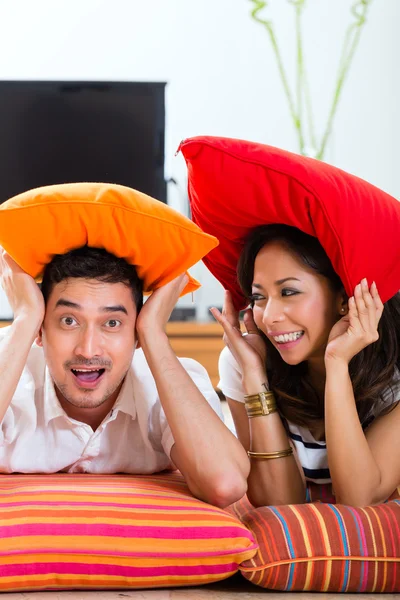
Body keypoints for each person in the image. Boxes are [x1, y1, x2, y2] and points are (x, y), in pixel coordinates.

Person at [0, 245, 250, 508]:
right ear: (41, 329)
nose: (88, 350)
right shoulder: (11, 361)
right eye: (69, 321)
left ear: (136, 334)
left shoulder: (170, 382)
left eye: (112, 323)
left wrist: (153, 331)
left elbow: (226, 484)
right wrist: (26, 319)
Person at [210, 224, 400, 508]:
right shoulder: (243, 362)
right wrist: (254, 375)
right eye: (259, 297)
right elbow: (278, 501)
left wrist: (336, 364)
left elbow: (357, 499)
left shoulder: (394, 373)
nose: (270, 317)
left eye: (288, 292)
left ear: (344, 300)